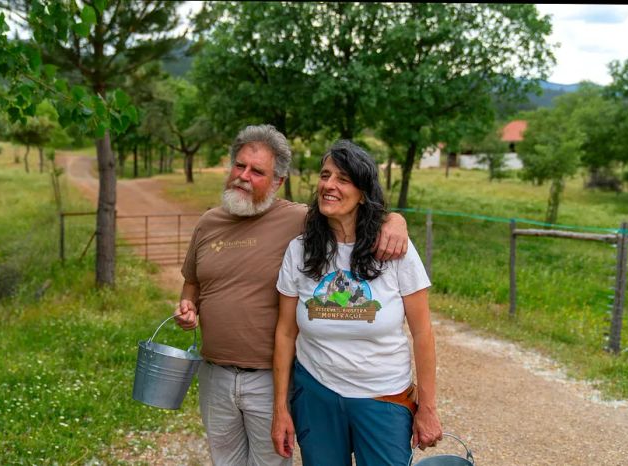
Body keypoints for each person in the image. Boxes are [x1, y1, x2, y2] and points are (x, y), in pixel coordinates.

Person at [173, 124, 410, 466]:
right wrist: (187, 307)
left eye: (257, 171)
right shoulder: (209, 223)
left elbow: (351, 208)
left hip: (270, 378)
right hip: (215, 375)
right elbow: (192, 284)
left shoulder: (299, 221)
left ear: (277, 182)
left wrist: (395, 220)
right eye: (239, 166)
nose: (243, 176)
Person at [272, 140, 442, 465]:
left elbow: (423, 334)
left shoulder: (395, 250)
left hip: (383, 397)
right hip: (315, 393)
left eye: (343, 179)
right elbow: (285, 333)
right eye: (325, 175)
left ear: (363, 192)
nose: (329, 185)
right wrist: (281, 408)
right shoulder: (300, 250)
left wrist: (428, 409)